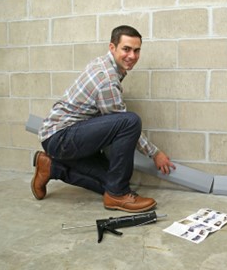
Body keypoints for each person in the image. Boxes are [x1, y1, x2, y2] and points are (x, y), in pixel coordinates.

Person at [32, 25, 175, 213]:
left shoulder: (105, 65)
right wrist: (155, 153)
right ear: (112, 48)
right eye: (126, 49)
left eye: (136, 50)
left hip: (68, 137)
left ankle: (52, 167)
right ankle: (118, 195)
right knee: (130, 121)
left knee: (111, 181)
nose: (132, 56)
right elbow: (121, 121)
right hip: (61, 138)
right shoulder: (106, 79)